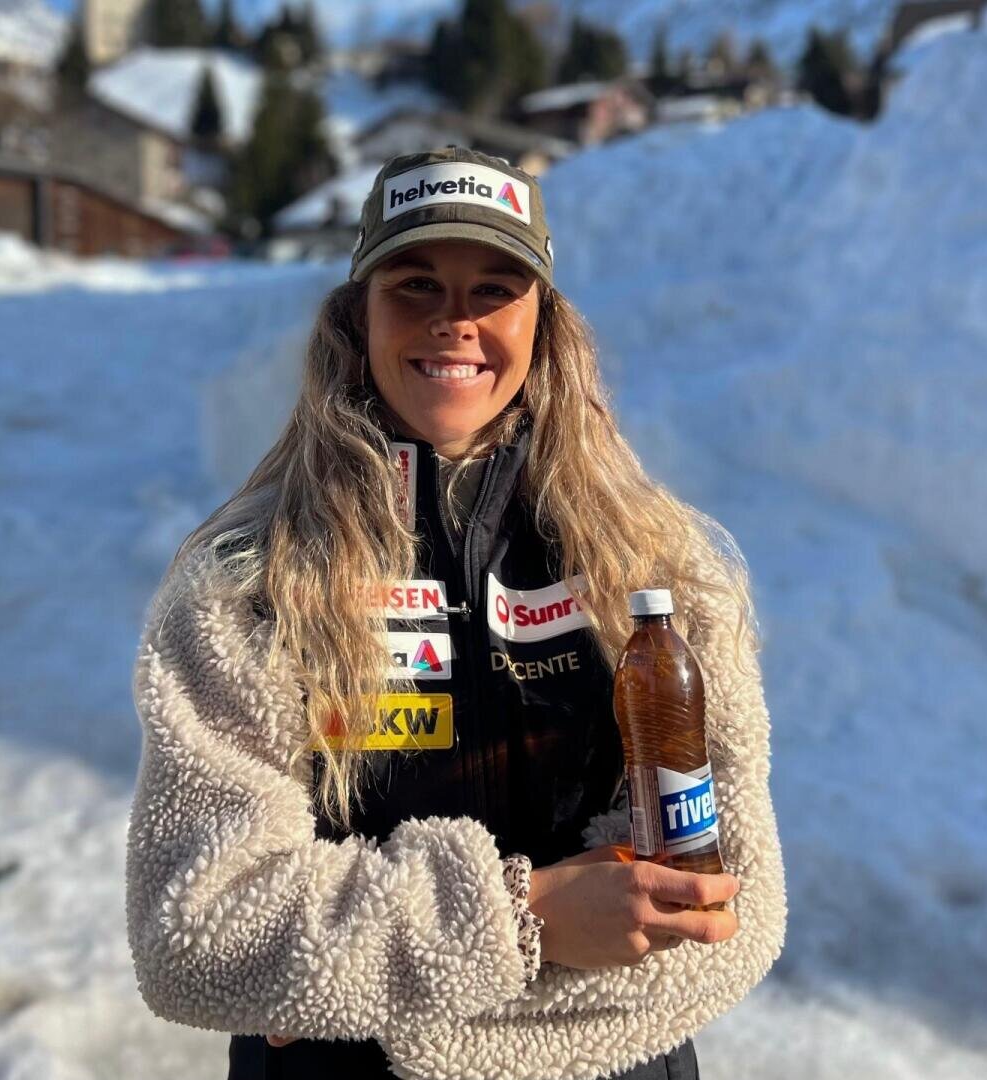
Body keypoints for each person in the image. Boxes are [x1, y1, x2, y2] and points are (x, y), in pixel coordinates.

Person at [125, 146, 787, 1080]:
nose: (455, 323)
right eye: (416, 285)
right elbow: (198, 932)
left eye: (493, 290)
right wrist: (533, 919)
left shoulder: (663, 572)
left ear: (543, 324)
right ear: (358, 316)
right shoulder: (248, 583)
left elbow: (733, 911)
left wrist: (352, 988)